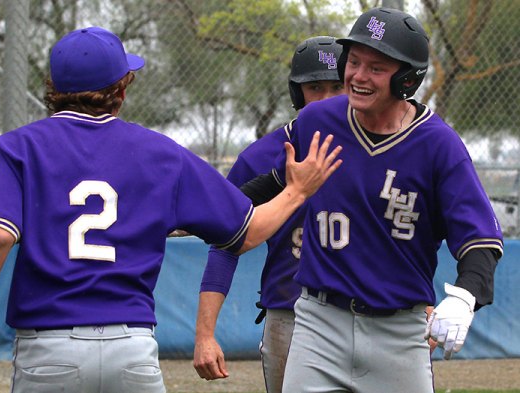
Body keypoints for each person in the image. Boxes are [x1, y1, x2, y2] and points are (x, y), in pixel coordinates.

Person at [0, 26, 343, 393]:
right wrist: (296, 191)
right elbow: (247, 233)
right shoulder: (159, 152)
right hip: (130, 348)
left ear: (53, 87)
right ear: (122, 89)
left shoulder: (18, 147)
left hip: (48, 348)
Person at [195, 8, 503, 393]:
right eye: (353, 61)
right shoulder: (319, 121)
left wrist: (466, 297)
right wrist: (195, 210)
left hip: (398, 332)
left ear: (407, 78)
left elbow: (480, 240)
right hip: (318, 323)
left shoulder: (439, 146)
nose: (357, 75)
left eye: (376, 67)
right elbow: (274, 181)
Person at [193, 36, 345, 393]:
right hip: (289, 312)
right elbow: (225, 245)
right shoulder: (260, 157)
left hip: (368, 312)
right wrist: (204, 334)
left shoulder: (377, 146)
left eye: (337, 87)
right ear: (297, 94)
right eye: (315, 88)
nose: (326, 99)